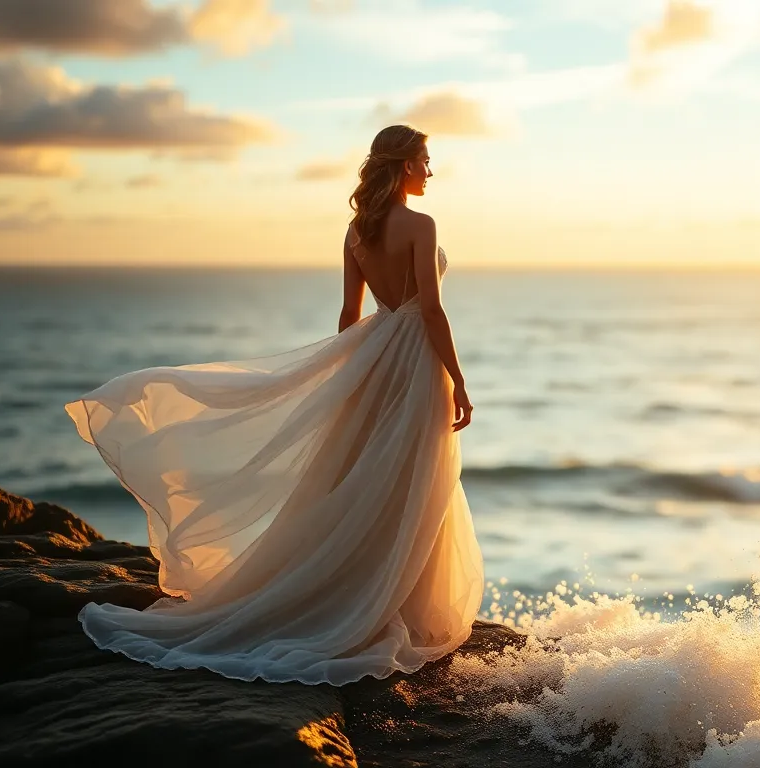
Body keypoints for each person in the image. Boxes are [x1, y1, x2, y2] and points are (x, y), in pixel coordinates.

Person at [63, 125, 483, 685]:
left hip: (377, 357)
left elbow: (349, 314)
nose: (430, 171)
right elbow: (430, 310)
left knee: (368, 475)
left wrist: (349, 373)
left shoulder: (357, 230)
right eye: (426, 160)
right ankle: (390, 602)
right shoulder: (422, 225)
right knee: (413, 478)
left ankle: (372, 592)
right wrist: (458, 378)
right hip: (415, 361)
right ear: (404, 164)